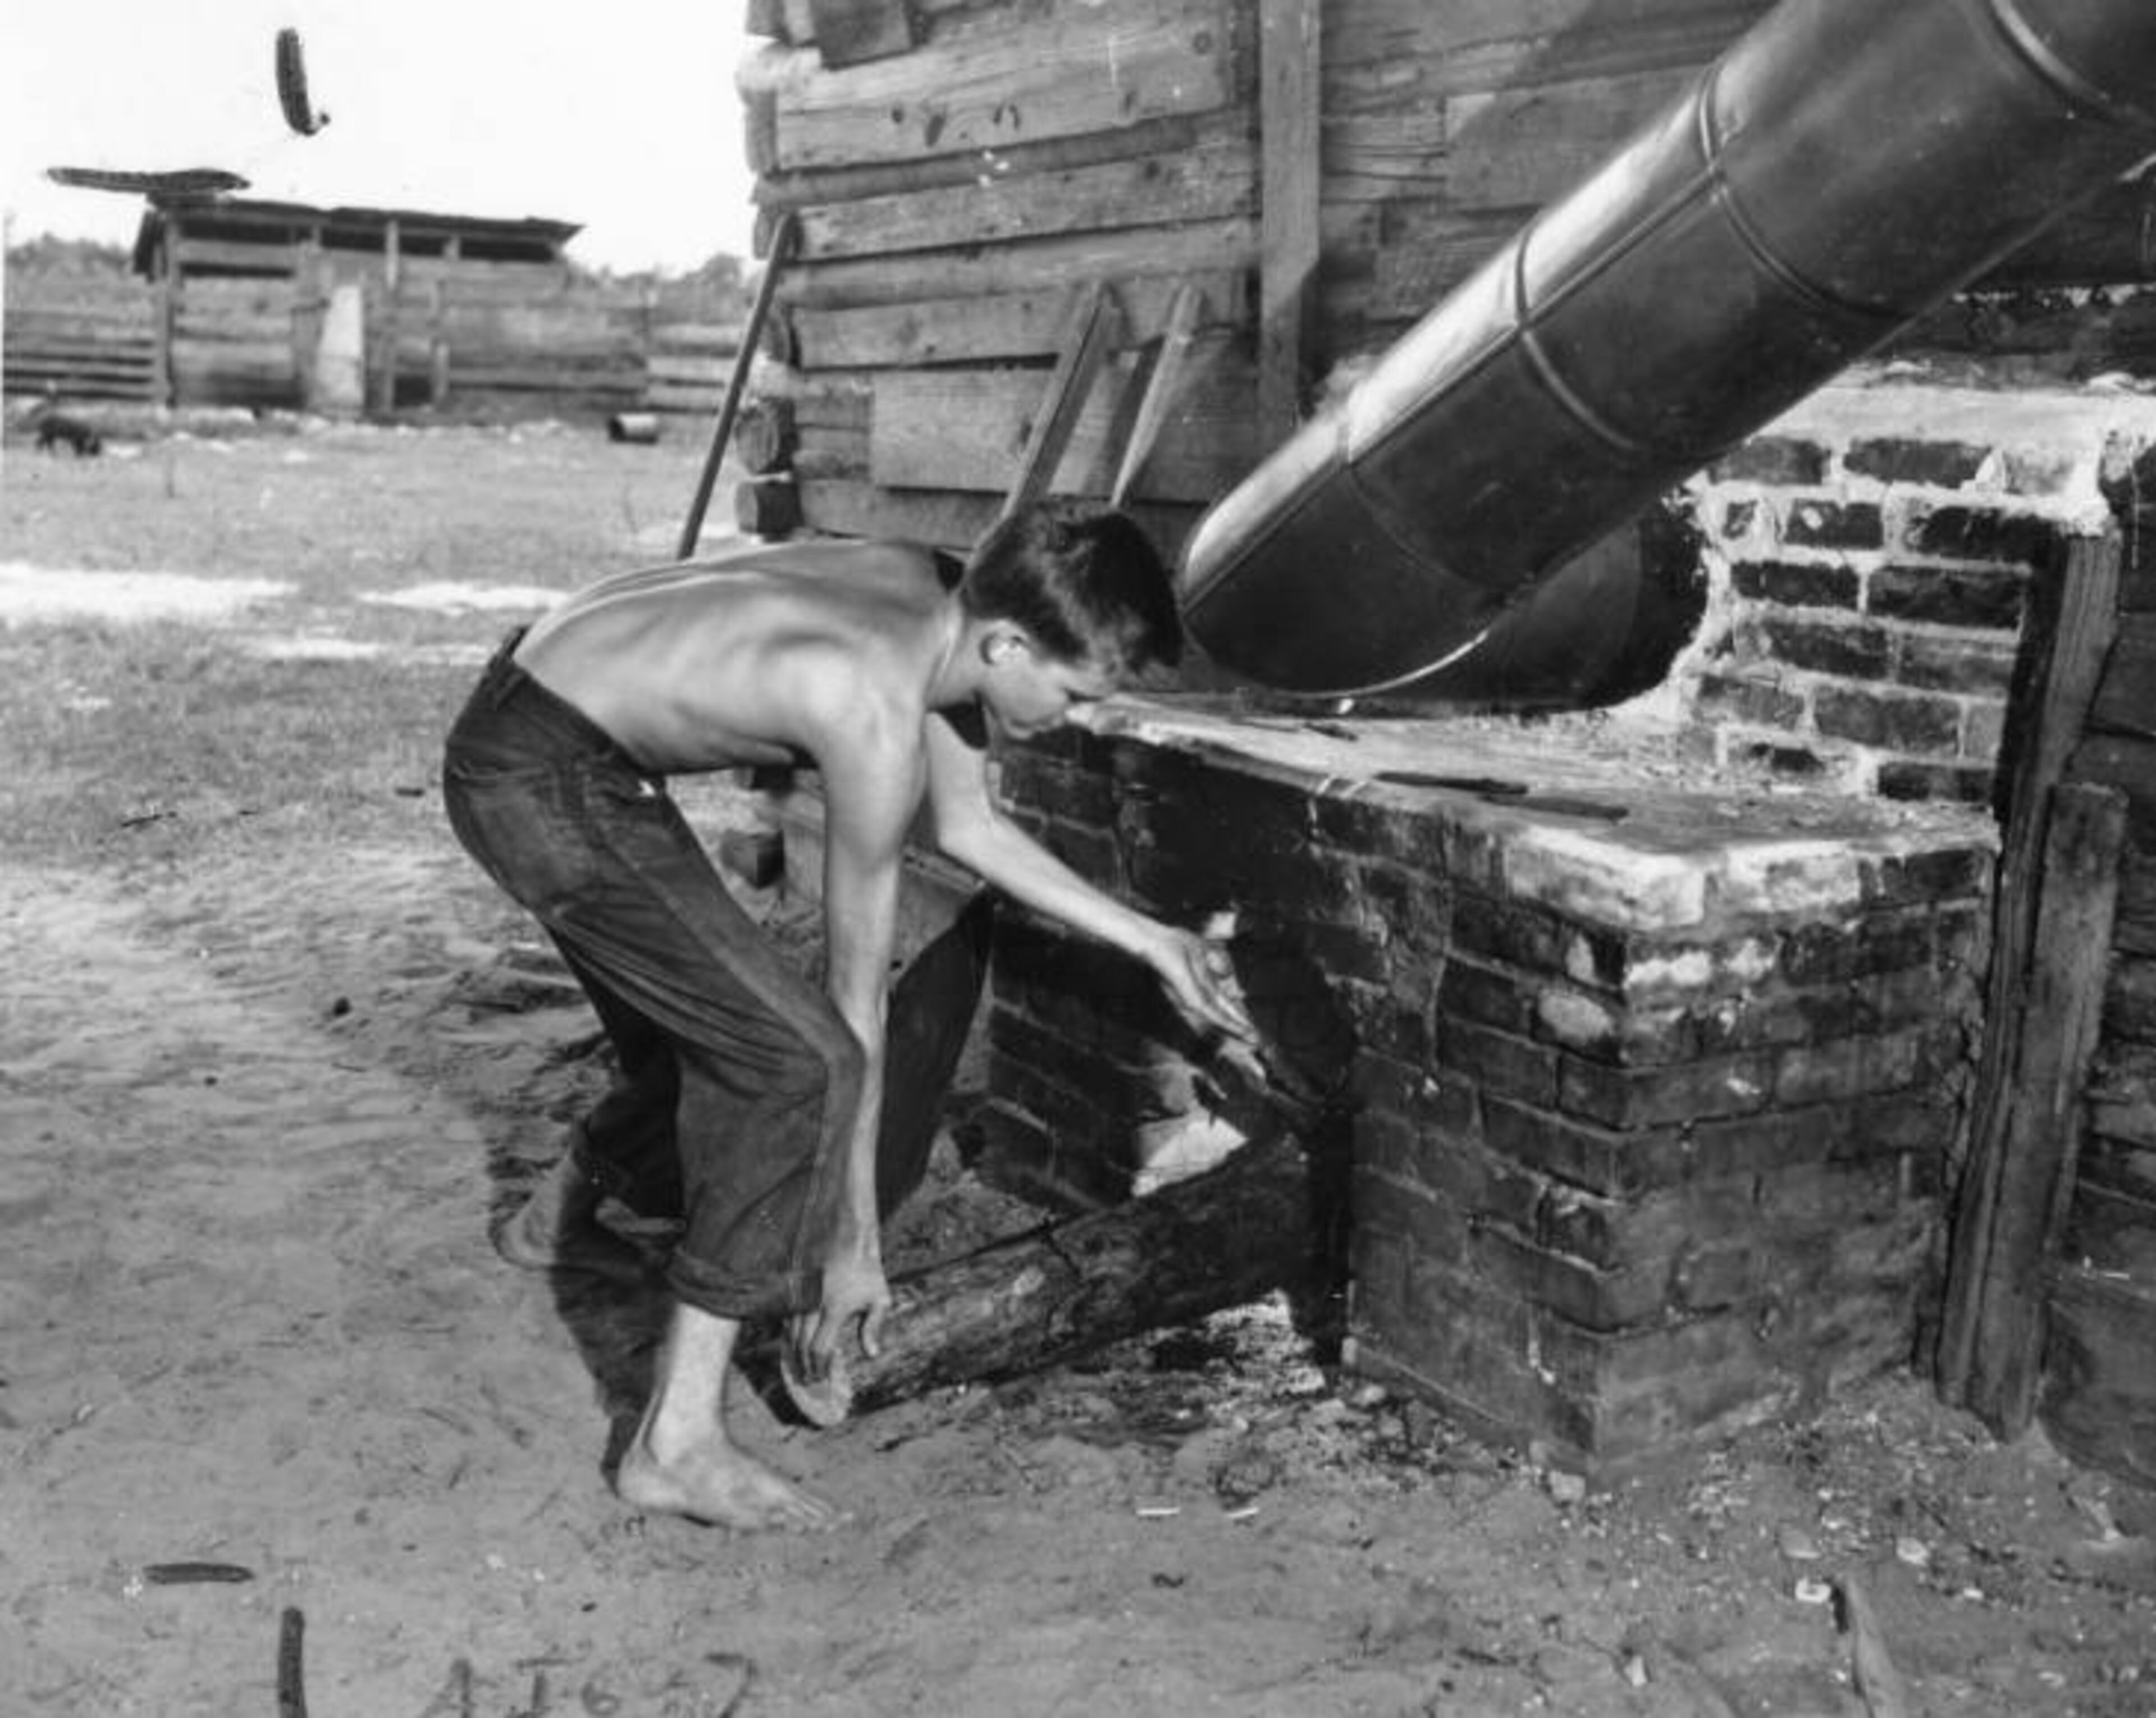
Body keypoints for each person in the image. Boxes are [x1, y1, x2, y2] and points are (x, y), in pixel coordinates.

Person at [441, 502, 1255, 1533]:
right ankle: (674, 1445)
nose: (1076, 717)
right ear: (1007, 646)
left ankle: (546, 1224)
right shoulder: (872, 706)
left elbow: (967, 825)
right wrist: (851, 1248)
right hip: (533, 775)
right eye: (1074, 691)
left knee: (727, 1018)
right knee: (789, 1061)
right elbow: (853, 1010)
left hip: (544, 711)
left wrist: (1153, 940)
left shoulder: (945, 597)